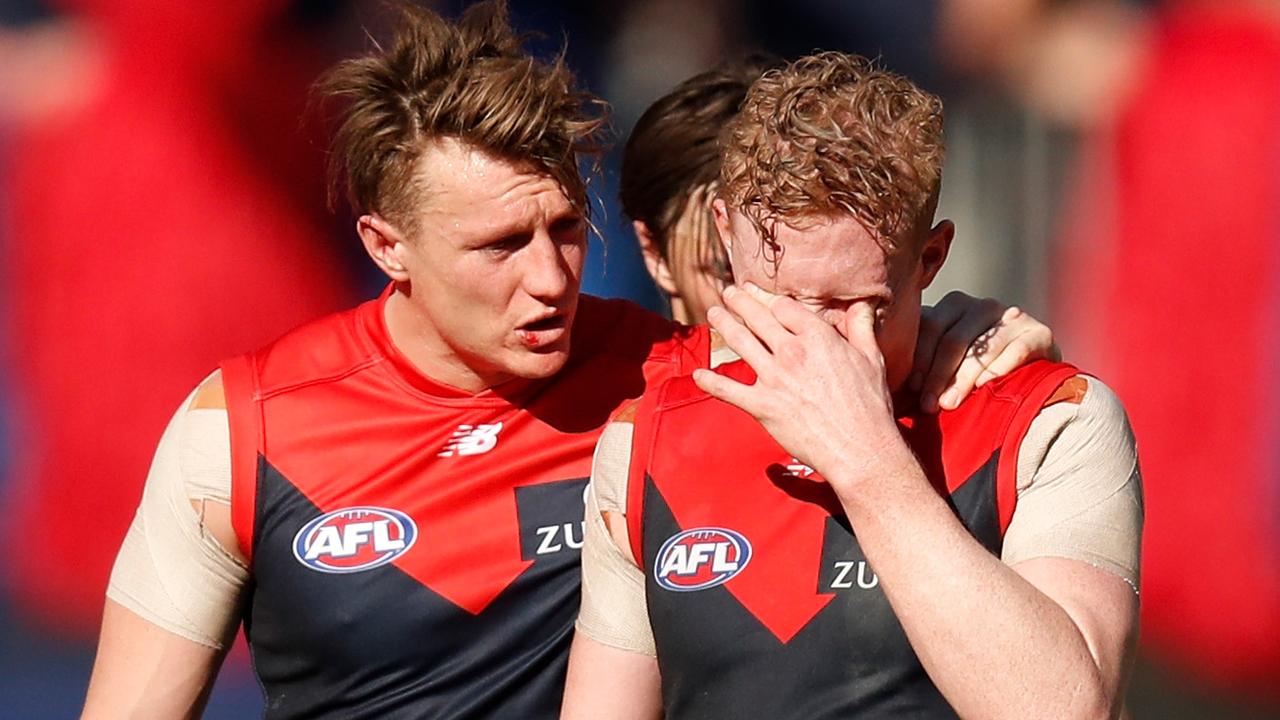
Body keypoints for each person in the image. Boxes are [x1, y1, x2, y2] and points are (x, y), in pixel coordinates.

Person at [80, 4, 1061, 718]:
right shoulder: (245, 431)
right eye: (499, 247)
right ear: (386, 247)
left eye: (562, 227)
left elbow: (865, 354)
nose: (550, 278)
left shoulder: (670, 374)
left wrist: (968, 331)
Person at [563, 52, 1141, 719]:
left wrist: (868, 461)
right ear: (726, 235)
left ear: (930, 259)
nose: (818, 347)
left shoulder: (1050, 423)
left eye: (856, 306)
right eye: (780, 298)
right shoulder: (648, 441)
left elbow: (1066, 711)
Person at [620, 56, 1054, 413]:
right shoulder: (618, 419)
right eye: (732, 274)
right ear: (655, 254)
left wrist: (1025, 372)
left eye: (849, 300)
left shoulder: (951, 375)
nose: (813, 333)